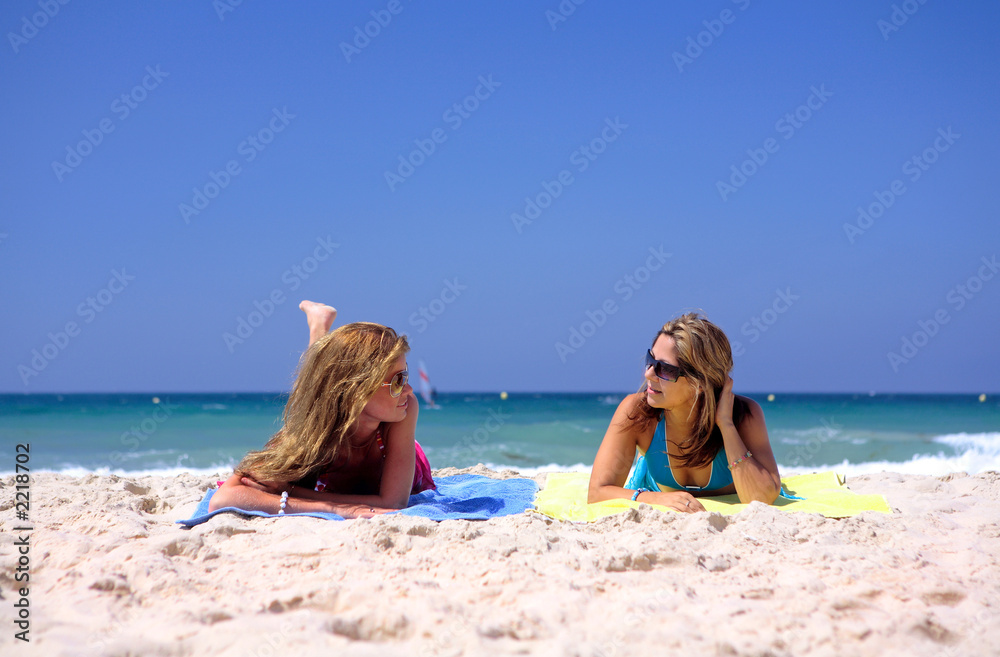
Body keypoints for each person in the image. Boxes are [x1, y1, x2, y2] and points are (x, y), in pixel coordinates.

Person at [209, 301, 435, 518]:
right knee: (315, 393)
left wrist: (292, 492)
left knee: (319, 386)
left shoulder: (404, 410)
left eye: (405, 375)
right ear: (357, 390)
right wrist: (335, 509)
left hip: (356, 419)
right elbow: (222, 499)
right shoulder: (307, 436)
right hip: (324, 415)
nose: (409, 389)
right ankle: (318, 326)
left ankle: (319, 323)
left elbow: (393, 503)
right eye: (397, 381)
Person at [588, 312, 781, 513]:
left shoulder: (744, 415)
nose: (648, 374)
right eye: (650, 360)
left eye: (665, 369)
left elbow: (761, 499)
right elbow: (597, 492)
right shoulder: (638, 413)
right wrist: (657, 498)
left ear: (700, 383)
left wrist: (726, 424)